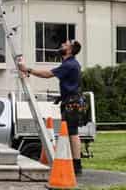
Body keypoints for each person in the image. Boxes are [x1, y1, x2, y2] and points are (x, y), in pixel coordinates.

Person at [18, 40, 83, 175]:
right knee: (71, 133)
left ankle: (77, 166)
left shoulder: (70, 64)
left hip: (71, 103)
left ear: (70, 50)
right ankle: (74, 164)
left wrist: (27, 69)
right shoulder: (69, 64)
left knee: (72, 133)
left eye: (65, 44)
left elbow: (47, 74)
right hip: (70, 102)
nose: (62, 45)